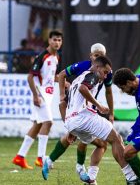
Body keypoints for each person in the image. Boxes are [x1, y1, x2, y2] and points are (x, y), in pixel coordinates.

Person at [45, 56, 136, 184]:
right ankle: (131, 178)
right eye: (105, 72)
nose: (105, 76)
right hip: (84, 118)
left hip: (72, 122)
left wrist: (70, 129)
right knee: (116, 139)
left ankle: (90, 178)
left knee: (101, 144)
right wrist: (98, 105)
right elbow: (83, 89)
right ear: (97, 67)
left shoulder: (78, 79)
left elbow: (64, 105)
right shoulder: (92, 75)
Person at [42, 43, 114, 181]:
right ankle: (77, 167)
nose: (97, 58)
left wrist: (111, 113)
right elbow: (62, 75)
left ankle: (66, 164)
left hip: (87, 107)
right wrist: (62, 95)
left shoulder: (106, 72)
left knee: (80, 138)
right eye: (96, 55)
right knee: (75, 136)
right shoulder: (84, 67)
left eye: (101, 56)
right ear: (90, 56)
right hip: (75, 107)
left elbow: (109, 91)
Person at [12, 30, 63, 169]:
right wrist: (35, 95)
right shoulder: (42, 56)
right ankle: (40, 158)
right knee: (48, 122)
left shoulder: (57, 56)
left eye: (59, 40)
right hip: (40, 95)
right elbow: (30, 77)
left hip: (48, 95)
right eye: (54, 40)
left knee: (37, 125)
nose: (57, 43)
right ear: (49, 41)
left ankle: (19, 157)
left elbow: (51, 77)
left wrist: (63, 81)